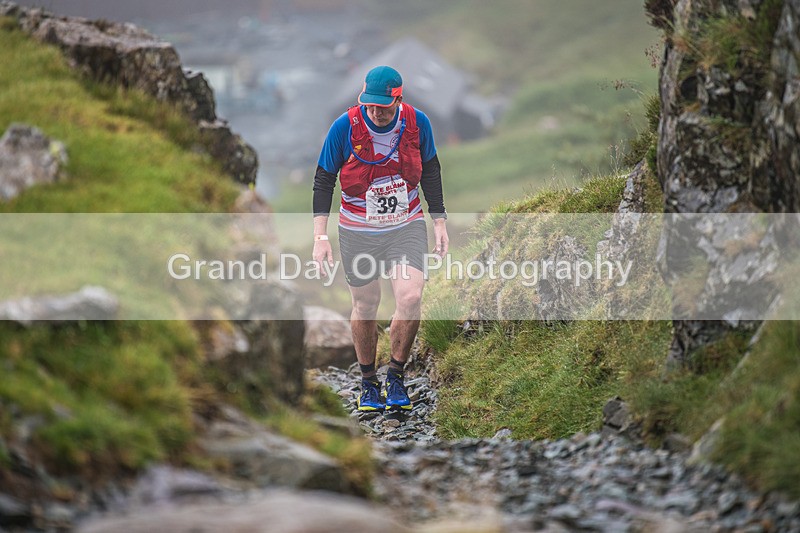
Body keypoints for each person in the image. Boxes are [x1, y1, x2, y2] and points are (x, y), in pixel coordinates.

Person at [312, 65, 448, 412]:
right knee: (366, 304)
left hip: (406, 225)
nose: (375, 112)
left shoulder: (418, 124)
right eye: (369, 105)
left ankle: (396, 376)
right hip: (358, 229)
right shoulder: (344, 127)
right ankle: (369, 381)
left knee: (410, 295)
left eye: (383, 106)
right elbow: (324, 179)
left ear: (398, 99)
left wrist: (440, 222)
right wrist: (319, 237)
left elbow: (431, 170)